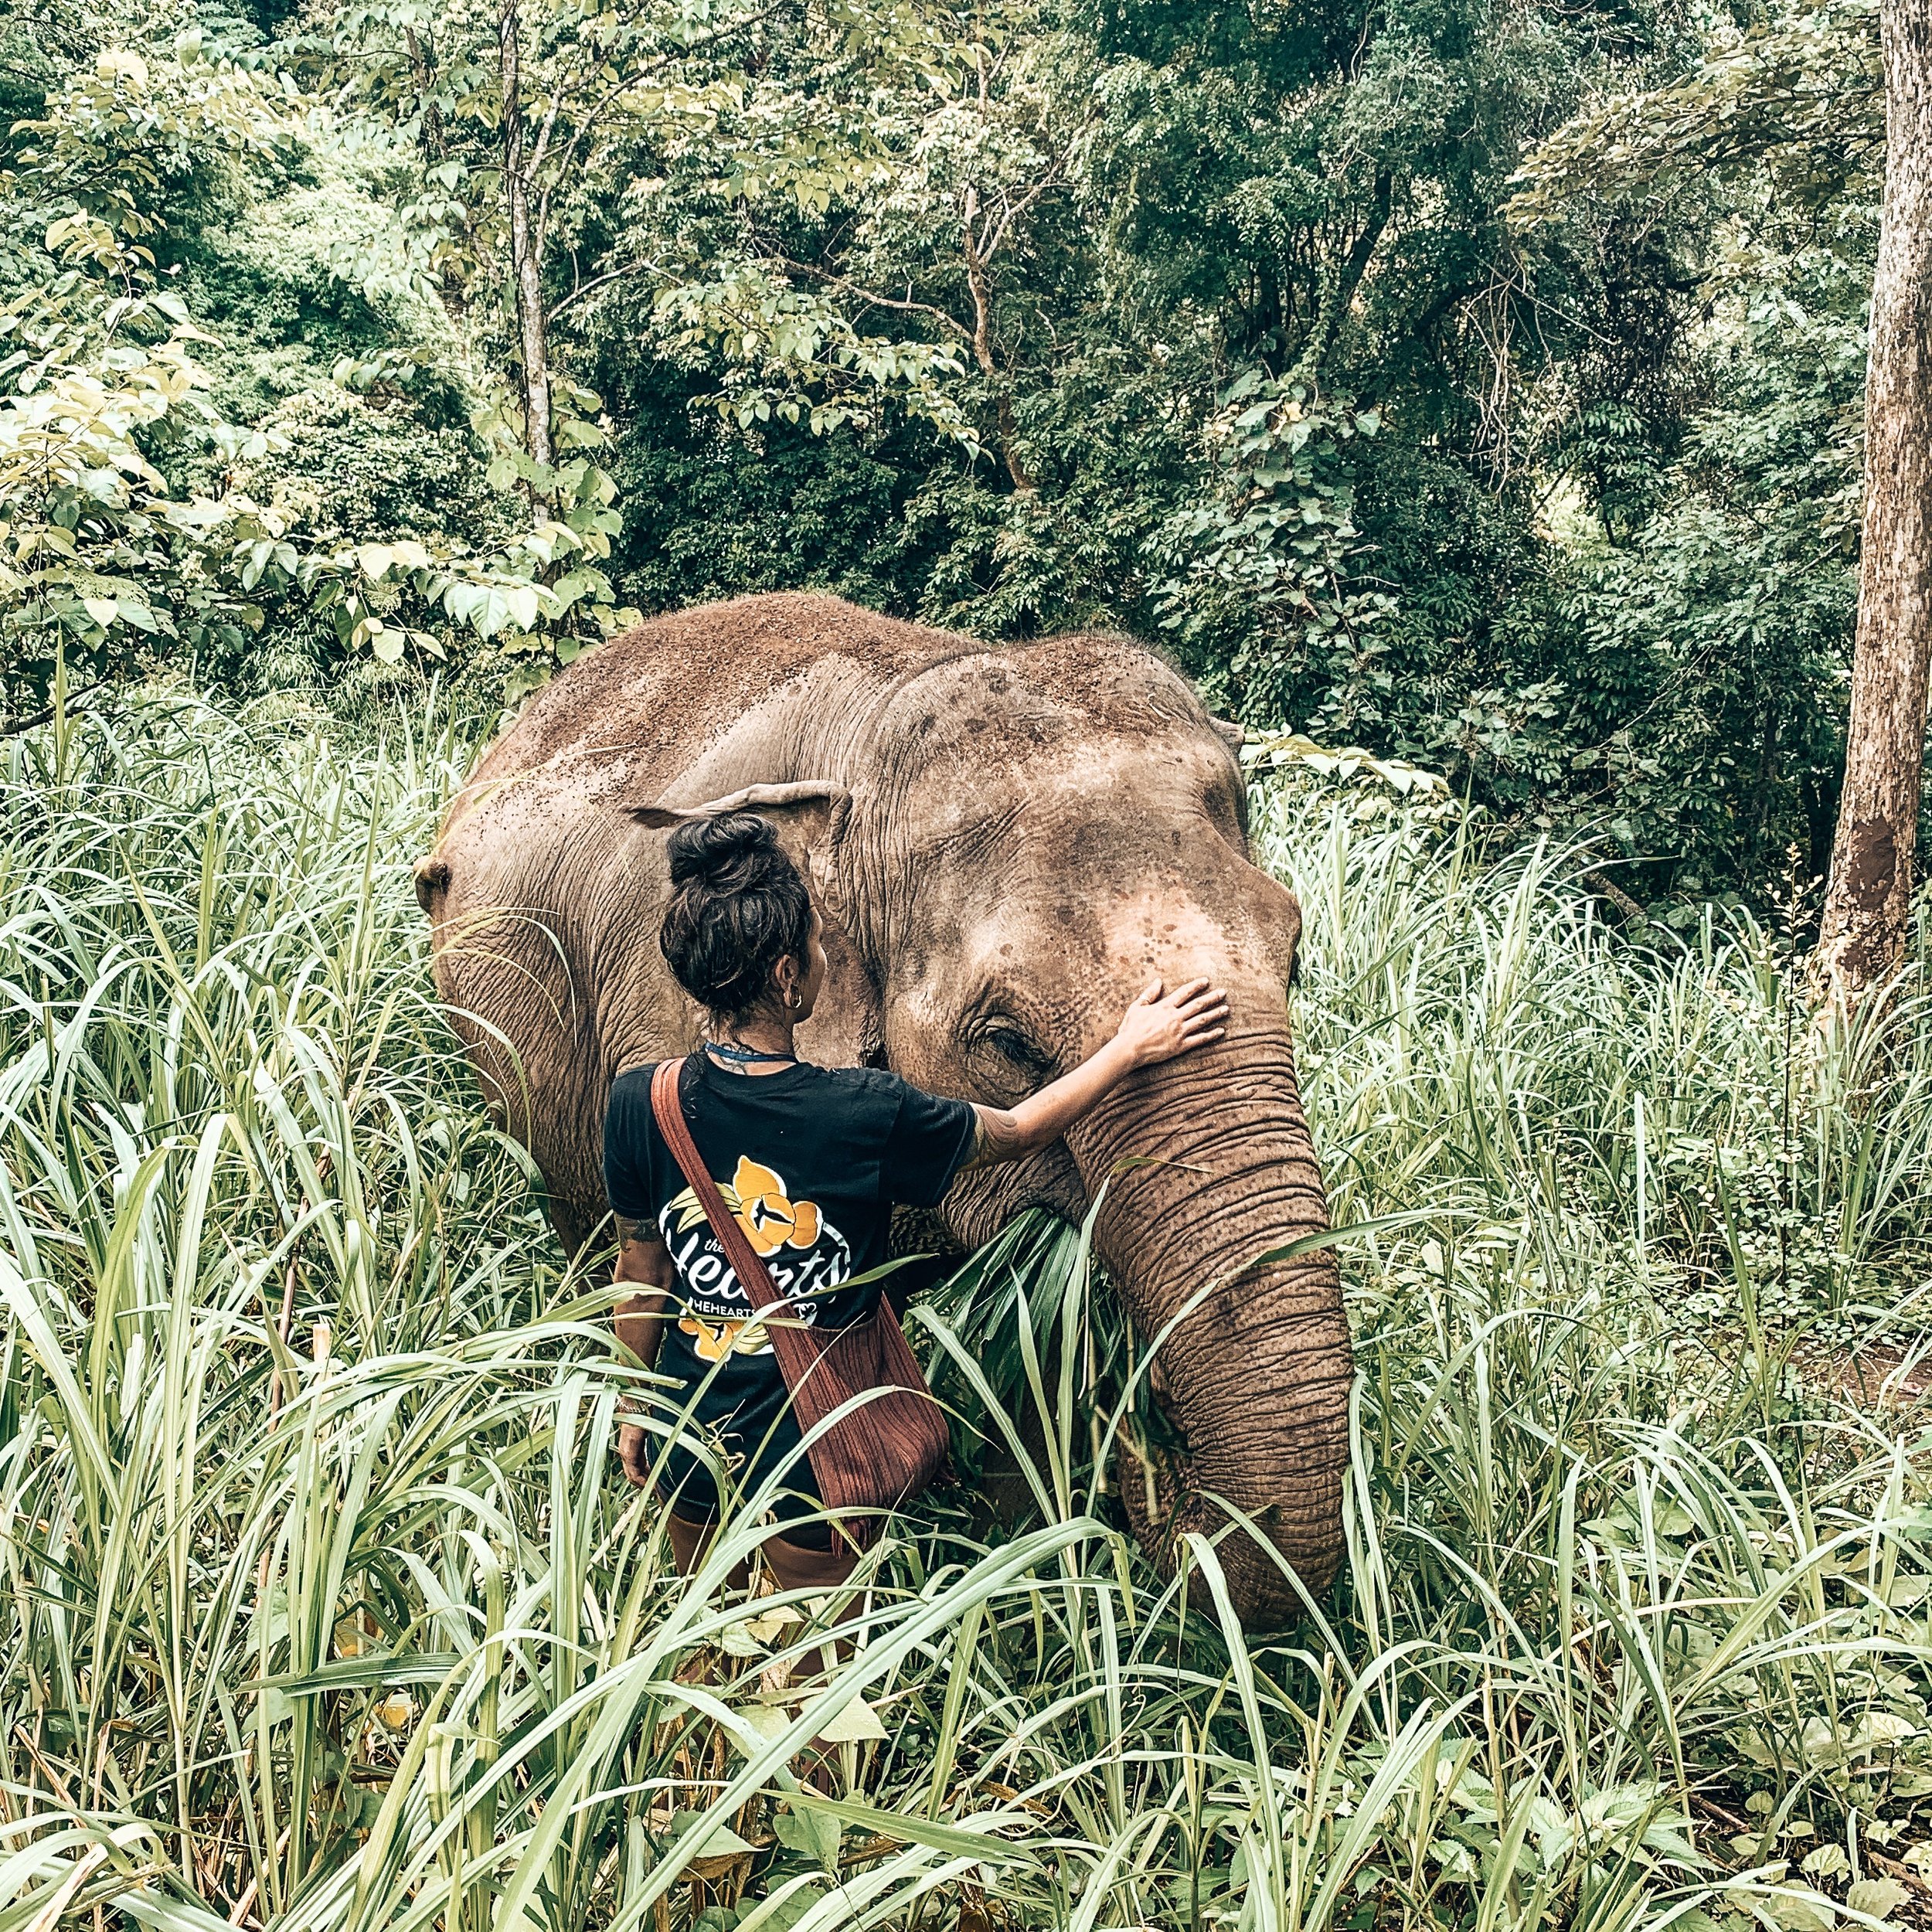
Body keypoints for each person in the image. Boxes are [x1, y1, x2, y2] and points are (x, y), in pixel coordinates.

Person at [604, 811, 1229, 1596]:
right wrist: (1127, 1048)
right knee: (810, 1662)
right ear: (788, 976)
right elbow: (1017, 1129)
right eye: (820, 945)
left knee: (702, 1626)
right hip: (819, 1448)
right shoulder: (864, 1111)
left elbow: (642, 1266)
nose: (829, 958)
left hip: (690, 1429)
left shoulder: (640, 1100)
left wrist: (636, 1403)